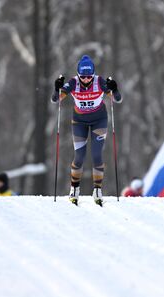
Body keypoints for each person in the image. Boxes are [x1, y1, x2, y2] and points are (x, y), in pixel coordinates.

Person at [51, 55, 122, 206]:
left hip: (99, 121)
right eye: (82, 77)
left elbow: (117, 99)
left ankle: (97, 190)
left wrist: (114, 89)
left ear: (93, 75)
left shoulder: (99, 82)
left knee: (97, 154)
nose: (85, 80)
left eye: (88, 77)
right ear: (78, 75)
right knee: (79, 156)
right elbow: (56, 99)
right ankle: (74, 189)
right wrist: (57, 88)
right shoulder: (73, 83)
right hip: (79, 122)